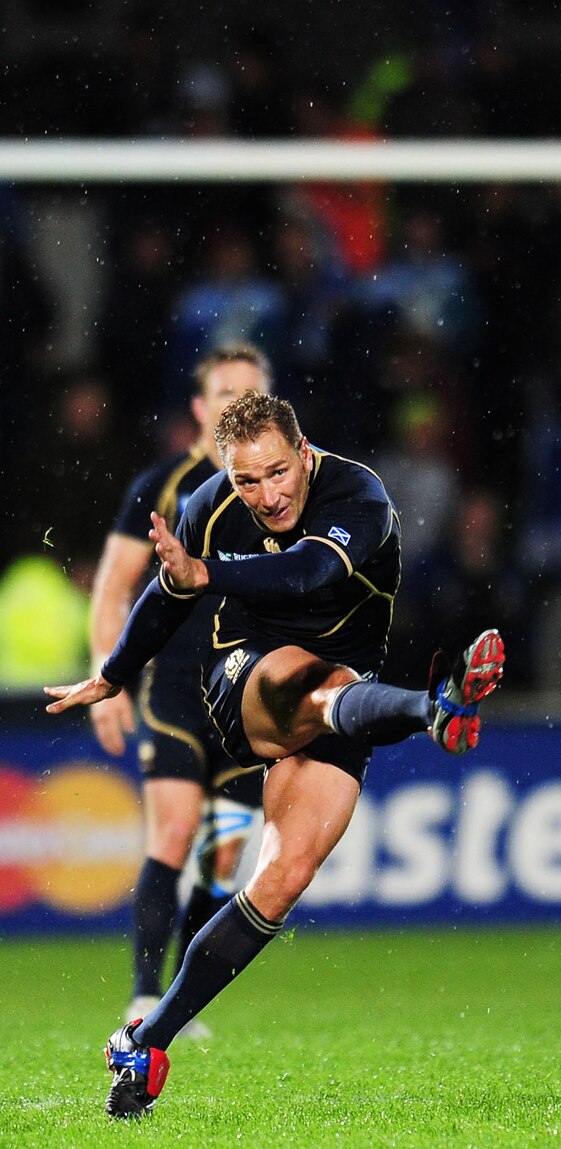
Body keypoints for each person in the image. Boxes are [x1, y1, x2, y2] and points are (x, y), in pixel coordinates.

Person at [45, 390, 505, 1119]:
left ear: (303, 451)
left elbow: (308, 574)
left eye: (278, 472)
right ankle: (432, 706)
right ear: (228, 473)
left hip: (348, 699)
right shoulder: (207, 504)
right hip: (248, 678)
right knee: (307, 676)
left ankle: (143, 1040)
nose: (266, 493)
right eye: (247, 480)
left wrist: (205, 575)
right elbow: (166, 599)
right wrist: (114, 672)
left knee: (280, 879)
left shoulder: (359, 494)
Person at [88, 343, 270, 1037]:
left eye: (250, 394)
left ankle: (176, 1002)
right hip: (172, 687)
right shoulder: (164, 485)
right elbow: (111, 589)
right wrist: (109, 677)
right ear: (200, 407)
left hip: (245, 695)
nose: (236, 404)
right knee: (171, 830)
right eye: (225, 393)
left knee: (225, 851)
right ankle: (141, 993)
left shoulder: (277, 491)